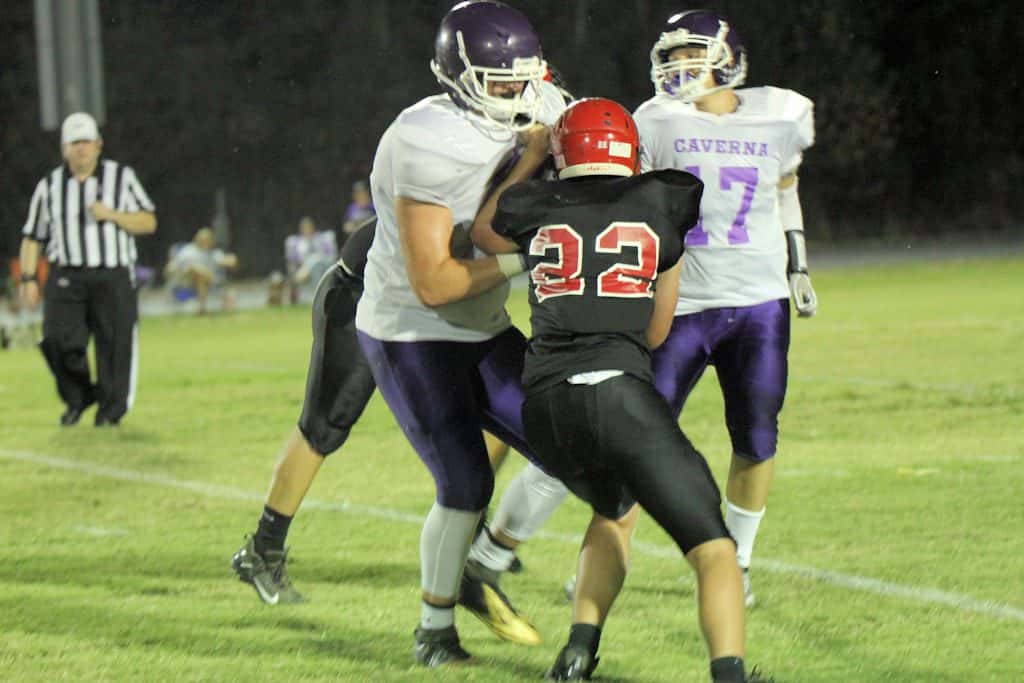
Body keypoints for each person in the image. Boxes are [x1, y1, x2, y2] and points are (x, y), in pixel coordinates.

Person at [486, 97, 764, 683]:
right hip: (619, 393)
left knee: (614, 512)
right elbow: (657, 332)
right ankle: (730, 674)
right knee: (714, 547)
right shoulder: (662, 203)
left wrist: (528, 158)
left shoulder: (531, 206)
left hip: (548, 410)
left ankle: (577, 655)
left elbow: (486, 231)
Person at [353, 0, 571, 667]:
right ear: (458, 75)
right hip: (411, 331)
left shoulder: (542, 103)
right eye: (500, 82)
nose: (517, 94)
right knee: (466, 481)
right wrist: (527, 258)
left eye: (523, 79)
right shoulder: (423, 138)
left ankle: (487, 562)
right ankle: (435, 631)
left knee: (574, 440)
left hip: (483, 325)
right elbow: (436, 283)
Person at [635, 9, 817, 608]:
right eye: (672, 56)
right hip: (683, 300)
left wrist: (798, 263)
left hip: (759, 300)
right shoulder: (656, 120)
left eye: (692, 54)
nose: (679, 66)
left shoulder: (780, 114)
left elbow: (785, 190)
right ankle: (610, 554)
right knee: (637, 437)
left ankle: (737, 561)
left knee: (757, 435)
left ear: (727, 59)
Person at [18, 111, 157, 427]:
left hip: (113, 274)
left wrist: (113, 215)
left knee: (115, 346)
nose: (81, 148)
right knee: (57, 341)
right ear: (64, 148)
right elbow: (33, 236)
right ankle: (79, 396)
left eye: (86, 141)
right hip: (67, 276)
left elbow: (148, 221)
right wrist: (28, 278)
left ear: (98, 144)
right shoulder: (49, 186)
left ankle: (110, 414)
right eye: (74, 142)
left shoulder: (121, 178)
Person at [164, 226, 239, 314]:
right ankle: (202, 308)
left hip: (209, 281)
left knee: (205, 277)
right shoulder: (188, 251)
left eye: (208, 240)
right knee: (196, 270)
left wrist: (232, 260)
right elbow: (174, 265)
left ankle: (208, 308)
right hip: (187, 281)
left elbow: (227, 261)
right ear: (197, 239)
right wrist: (171, 269)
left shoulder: (214, 253)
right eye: (203, 240)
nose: (205, 242)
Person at [284, 215, 337, 303]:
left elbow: (331, 256)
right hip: (304, 266)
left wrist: (315, 258)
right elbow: (293, 260)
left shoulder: (321, 239)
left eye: (309, 227)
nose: (307, 230)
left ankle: (298, 278)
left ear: (313, 228)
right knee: (315, 265)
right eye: (304, 228)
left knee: (315, 260)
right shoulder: (297, 243)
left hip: (323, 264)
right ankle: (318, 296)